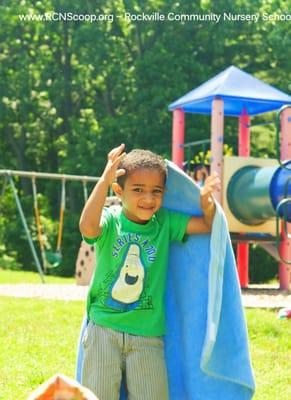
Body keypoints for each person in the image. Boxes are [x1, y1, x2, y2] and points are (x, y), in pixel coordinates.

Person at [79, 143, 220, 400]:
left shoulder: (165, 223)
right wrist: (104, 179)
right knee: (96, 396)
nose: (148, 198)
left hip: (147, 335)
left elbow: (209, 226)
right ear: (119, 191)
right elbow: (88, 227)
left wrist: (206, 204)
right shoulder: (111, 220)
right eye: (138, 190)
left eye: (156, 191)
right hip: (104, 330)